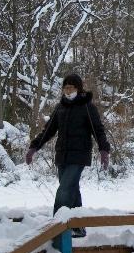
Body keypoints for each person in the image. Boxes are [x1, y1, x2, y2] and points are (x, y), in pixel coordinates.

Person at [26, 73, 111, 237]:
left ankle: (56, 228)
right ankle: (78, 226)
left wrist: (104, 150)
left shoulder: (87, 107)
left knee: (64, 190)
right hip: (62, 156)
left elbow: (98, 130)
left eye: (71, 87)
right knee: (72, 189)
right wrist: (34, 147)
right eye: (65, 87)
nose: (67, 90)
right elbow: (48, 130)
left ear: (78, 89)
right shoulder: (60, 107)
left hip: (79, 155)